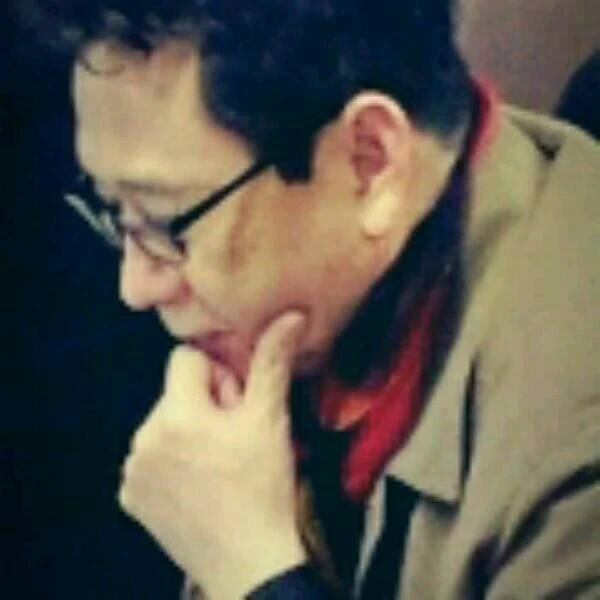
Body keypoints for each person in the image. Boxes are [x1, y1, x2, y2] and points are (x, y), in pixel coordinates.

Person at [19, 1, 600, 598]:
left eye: (166, 222)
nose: (136, 287)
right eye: (115, 210)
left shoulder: (573, 439)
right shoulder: (340, 288)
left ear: (371, 162)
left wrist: (253, 568)